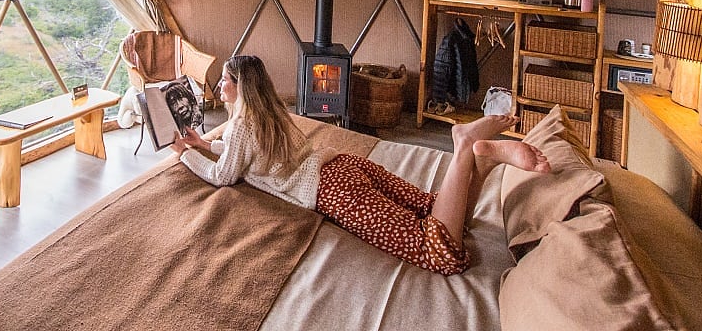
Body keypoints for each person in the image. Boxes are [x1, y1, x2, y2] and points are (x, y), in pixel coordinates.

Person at [170, 55, 550, 275]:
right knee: (433, 208)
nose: (220, 87)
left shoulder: (240, 129)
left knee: (437, 251)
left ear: (241, 88)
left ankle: (464, 145)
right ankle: (482, 160)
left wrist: (185, 154)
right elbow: (242, 154)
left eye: (225, 81)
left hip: (331, 190)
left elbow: (224, 176)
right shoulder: (272, 115)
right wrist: (205, 143)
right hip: (345, 164)